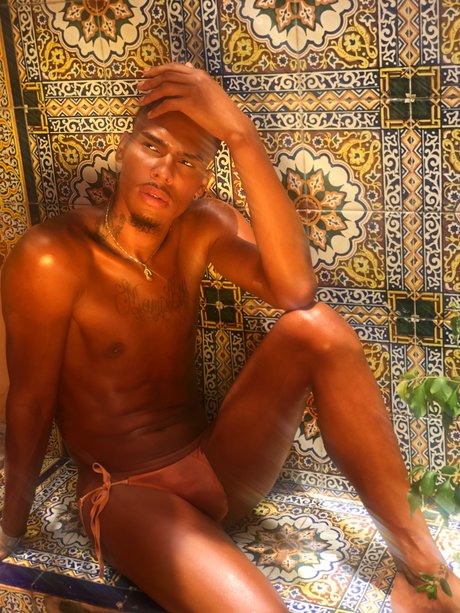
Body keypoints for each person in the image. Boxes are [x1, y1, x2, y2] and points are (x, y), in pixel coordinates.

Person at [1, 63, 458, 613]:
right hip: (126, 492)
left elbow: (295, 290)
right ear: (125, 149)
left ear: (202, 180)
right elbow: (30, 400)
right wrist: (11, 527)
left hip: (216, 465)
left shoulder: (202, 226)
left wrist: (241, 134)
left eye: (187, 161)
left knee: (318, 328)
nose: (164, 171)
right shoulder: (52, 257)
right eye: (152, 147)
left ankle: (424, 567)